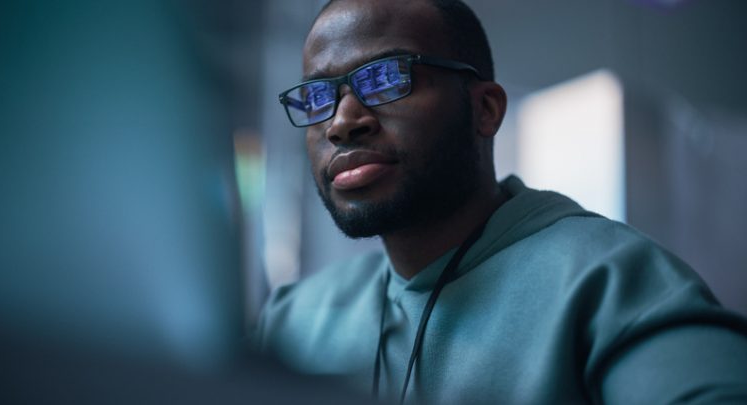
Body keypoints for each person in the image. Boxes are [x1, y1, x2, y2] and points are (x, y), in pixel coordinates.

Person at [256, 0, 747, 403]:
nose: (342, 121)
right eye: (317, 97)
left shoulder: (611, 281)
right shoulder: (295, 317)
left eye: (386, 78)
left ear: (485, 109)